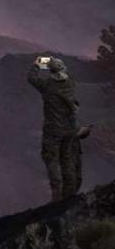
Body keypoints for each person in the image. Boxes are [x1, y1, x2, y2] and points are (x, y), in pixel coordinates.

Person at [28, 57, 89, 201]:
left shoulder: (47, 85)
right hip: (69, 130)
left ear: (51, 71)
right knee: (67, 159)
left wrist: (37, 64)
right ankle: (69, 194)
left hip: (53, 130)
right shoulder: (71, 83)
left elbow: (31, 78)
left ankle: (56, 195)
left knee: (52, 160)